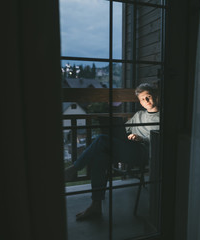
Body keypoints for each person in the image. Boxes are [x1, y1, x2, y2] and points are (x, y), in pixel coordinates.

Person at [64, 82, 160, 221]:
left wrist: (141, 138)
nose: (146, 101)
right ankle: (96, 205)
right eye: (142, 99)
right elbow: (124, 130)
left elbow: (160, 142)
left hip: (144, 153)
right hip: (129, 148)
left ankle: (74, 168)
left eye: (148, 97)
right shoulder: (139, 115)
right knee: (100, 156)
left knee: (102, 139)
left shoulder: (162, 117)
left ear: (155, 96)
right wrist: (119, 133)